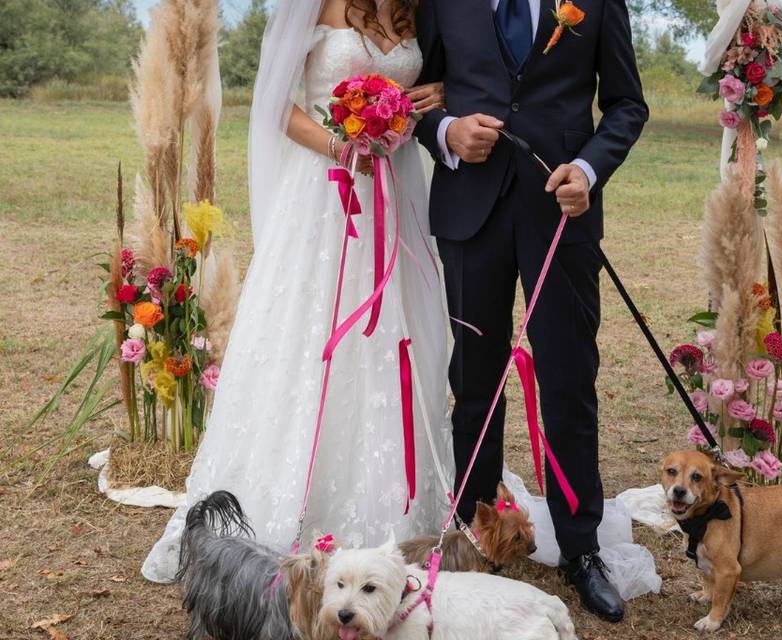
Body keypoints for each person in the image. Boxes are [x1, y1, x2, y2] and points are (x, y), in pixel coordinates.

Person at [142, 0, 451, 583]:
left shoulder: (417, 9)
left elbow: (433, 87)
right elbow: (274, 105)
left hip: (396, 190)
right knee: (311, 339)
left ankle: (397, 503)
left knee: (394, 339)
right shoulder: (320, 5)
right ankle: (296, 497)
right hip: (327, 195)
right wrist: (343, 147)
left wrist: (432, 98)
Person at [415, 0, 648, 622]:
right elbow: (417, 94)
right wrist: (446, 133)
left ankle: (580, 548)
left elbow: (628, 104)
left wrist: (590, 169)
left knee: (569, 383)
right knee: (474, 382)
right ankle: (474, 535)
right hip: (471, 213)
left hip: (561, 216)